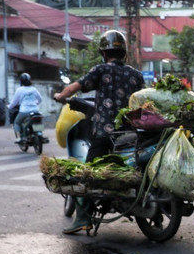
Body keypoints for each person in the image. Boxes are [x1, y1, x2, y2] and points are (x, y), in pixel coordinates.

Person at [53, 30, 145, 234]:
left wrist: (60, 96)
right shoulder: (135, 75)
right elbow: (143, 101)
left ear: (104, 52)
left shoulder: (100, 70)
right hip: (130, 135)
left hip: (105, 133)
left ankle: (83, 218)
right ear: (124, 54)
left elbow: (74, 88)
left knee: (86, 175)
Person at [8, 73, 41, 141]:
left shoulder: (19, 90)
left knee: (16, 123)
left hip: (24, 111)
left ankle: (18, 137)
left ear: (21, 81)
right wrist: (36, 103)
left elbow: (14, 102)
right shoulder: (34, 89)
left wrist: (9, 106)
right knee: (37, 122)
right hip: (35, 110)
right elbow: (40, 99)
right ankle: (39, 132)